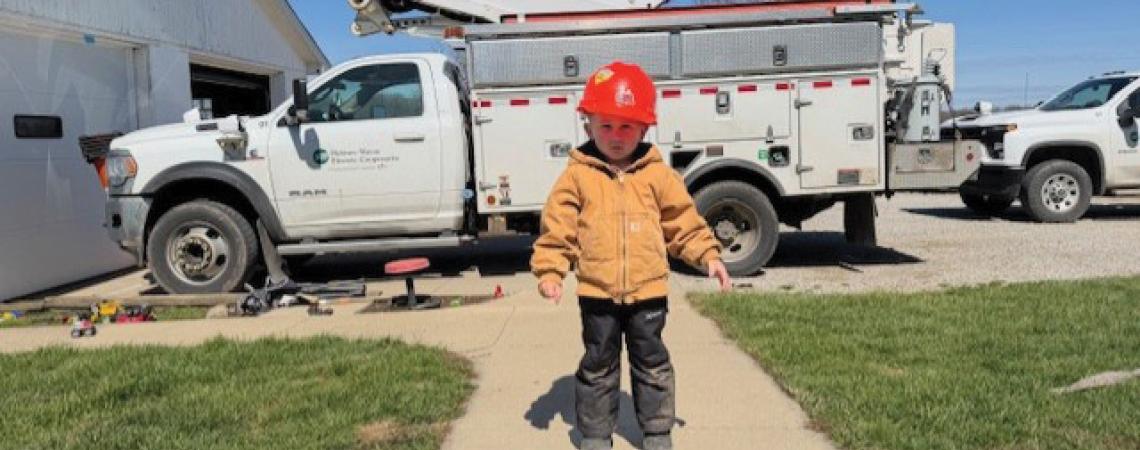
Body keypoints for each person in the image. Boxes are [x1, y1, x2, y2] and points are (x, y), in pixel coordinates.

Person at [530, 61, 733, 450]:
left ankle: (657, 431)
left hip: (648, 294)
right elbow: (558, 230)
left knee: (652, 364)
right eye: (606, 125)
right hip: (597, 295)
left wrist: (708, 255)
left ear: (644, 127)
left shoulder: (657, 174)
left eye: (627, 126)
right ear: (588, 124)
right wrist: (550, 272)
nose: (616, 136)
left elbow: (682, 222)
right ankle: (594, 434)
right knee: (598, 366)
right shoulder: (577, 175)